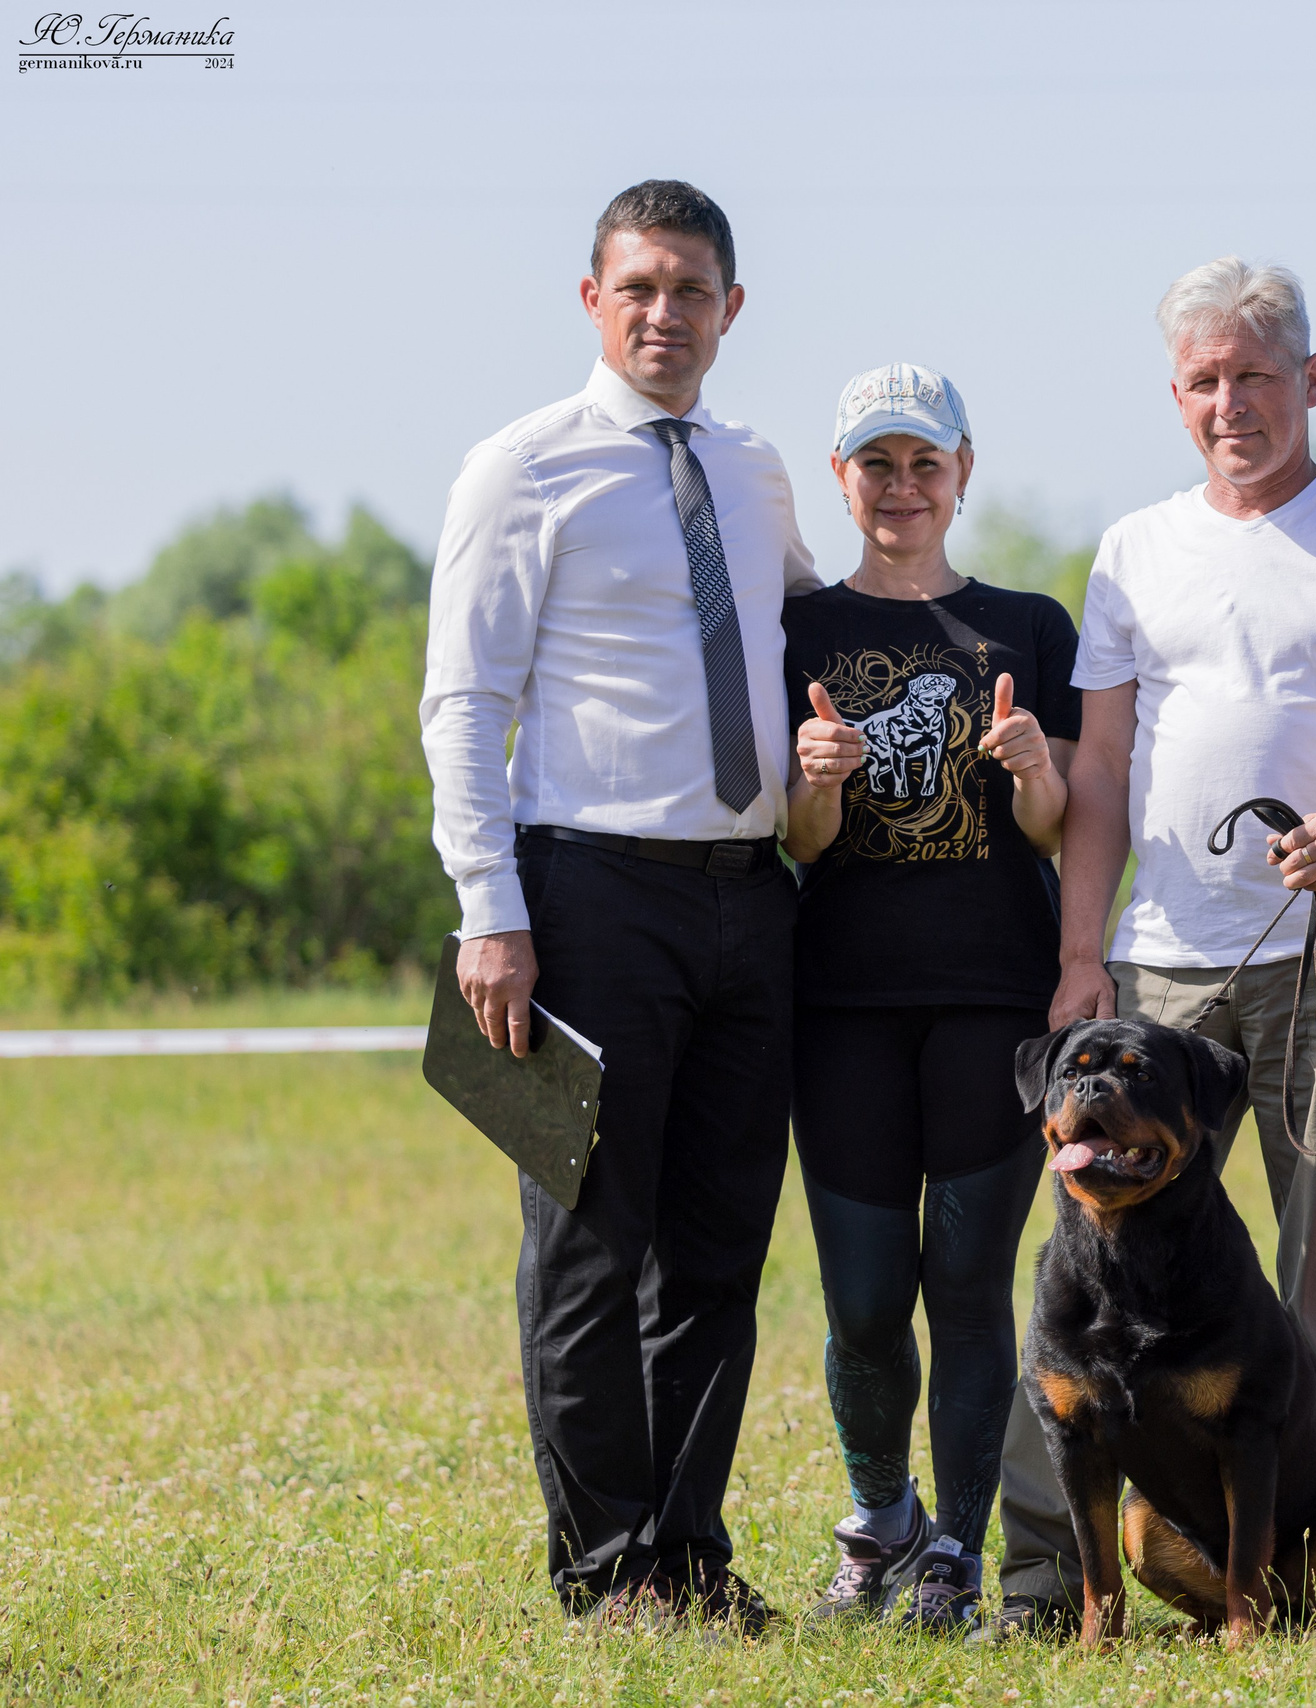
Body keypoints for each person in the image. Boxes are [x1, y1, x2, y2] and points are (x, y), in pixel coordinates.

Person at [978, 258, 1316, 1642]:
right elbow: (1102, 771)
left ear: (1310, 380)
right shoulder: (1131, 549)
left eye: (1256, 375)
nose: (1230, 403)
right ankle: (1053, 1586)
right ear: (1175, 394)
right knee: (1092, 1272)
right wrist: (1085, 952)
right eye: (1203, 380)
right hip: (1162, 963)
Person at [420, 180, 821, 1628]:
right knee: (591, 1246)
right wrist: (489, 905)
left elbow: (804, 639)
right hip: (585, 899)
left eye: (693, 289)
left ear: (732, 307)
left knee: (719, 1250)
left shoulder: (759, 468)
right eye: (639, 287)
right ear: (593, 300)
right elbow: (464, 701)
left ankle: (689, 1557)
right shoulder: (519, 469)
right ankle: (605, 1577)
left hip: (752, 902)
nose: (666, 314)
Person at [779, 364, 1080, 1634]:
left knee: (966, 1286)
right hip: (837, 1003)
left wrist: (1025, 767)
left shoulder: (1029, 625)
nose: (902, 488)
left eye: (925, 464)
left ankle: (956, 1546)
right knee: (858, 1297)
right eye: (876, 465)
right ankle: (880, 1517)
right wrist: (818, 779)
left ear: (964, 471)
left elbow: (1060, 823)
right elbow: (794, 842)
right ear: (841, 477)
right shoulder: (795, 633)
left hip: (990, 1002)